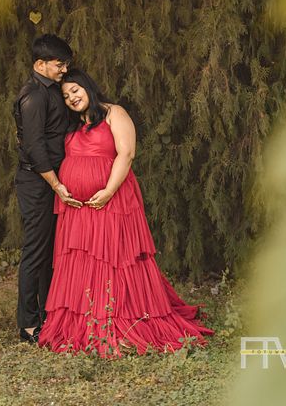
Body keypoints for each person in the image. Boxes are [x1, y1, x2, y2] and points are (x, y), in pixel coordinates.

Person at [38, 68, 215, 357]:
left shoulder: (114, 113)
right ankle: (85, 321)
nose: (71, 98)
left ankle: (120, 322)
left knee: (113, 260)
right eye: (66, 95)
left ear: (87, 87)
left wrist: (108, 190)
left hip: (112, 202)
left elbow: (127, 153)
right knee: (83, 263)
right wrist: (62, 188)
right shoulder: (73, 126)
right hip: (78, 209)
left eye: (75, 90)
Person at [13, 34, 83, 344]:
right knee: (36, 252)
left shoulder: (53, 90)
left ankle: (48, 315)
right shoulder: (33, 96)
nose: (64, 70)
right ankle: (28, 324)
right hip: (38, 182)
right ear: (40, 64)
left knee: (51, 252)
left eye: (66, 64)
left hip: (53, 182)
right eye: (59, 64)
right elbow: (34, 147)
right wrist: (56, 185)